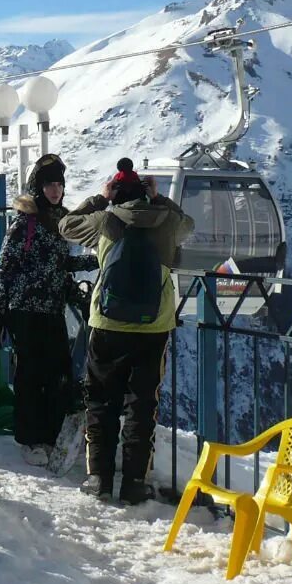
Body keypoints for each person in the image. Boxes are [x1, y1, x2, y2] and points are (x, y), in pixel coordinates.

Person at [59, 157, 194, 505]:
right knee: (142, 404)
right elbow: (189, 225)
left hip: (107, 323)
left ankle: (99, 478)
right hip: (154, 325)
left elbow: (66, 226)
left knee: (102, 400)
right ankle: (135, 482)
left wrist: (100, 199)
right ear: (146, 193)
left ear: (116, 192)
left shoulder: (105, 220)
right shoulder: (166, 221)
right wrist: (160, 199)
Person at [0, 154, 97, 467]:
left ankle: (50, 434)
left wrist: (97, 259)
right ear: (38, 186)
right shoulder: (26, 221)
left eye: (59, 183)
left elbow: (60, 264)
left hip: (51, 308)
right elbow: (4, 268)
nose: (55, 189)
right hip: (24, 309)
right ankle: (29, 438)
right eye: (49, 183)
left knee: (58, 371)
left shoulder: (60, 220)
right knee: (30, 373)